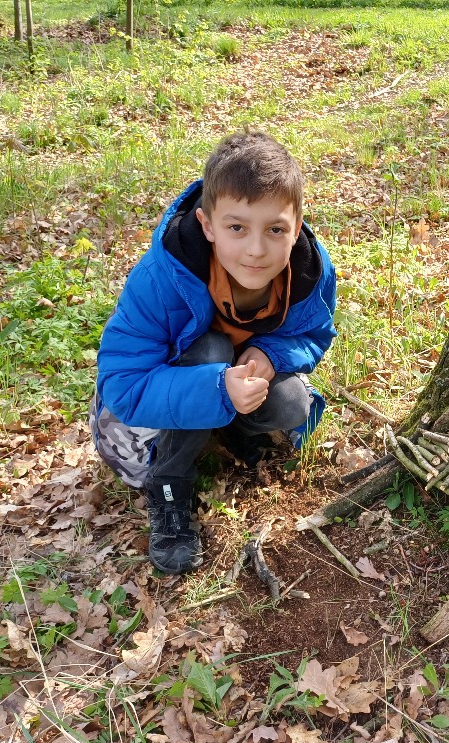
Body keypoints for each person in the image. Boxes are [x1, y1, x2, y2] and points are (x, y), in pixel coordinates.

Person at [89, 131, 337, 574]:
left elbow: (312, 334)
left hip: (224, 381)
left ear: (297, 226)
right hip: (142, 413)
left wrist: (270, 354)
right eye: (236, 227)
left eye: (275, 229)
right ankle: (169, 485)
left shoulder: (308, 271)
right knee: (211, 350)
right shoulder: (162, 276)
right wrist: (218, 388)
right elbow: (122, 384)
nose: (256, 249)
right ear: (207, 225)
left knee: (292, 402)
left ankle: (226, 433)